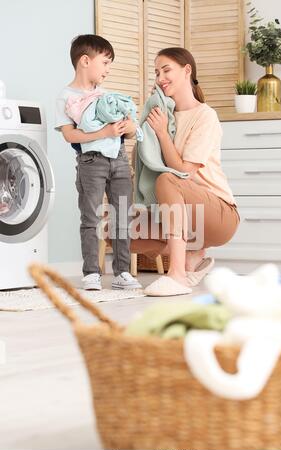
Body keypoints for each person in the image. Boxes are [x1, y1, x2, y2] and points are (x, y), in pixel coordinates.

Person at [132, 47, 240, 296]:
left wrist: (161, 133)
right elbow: (145, 163)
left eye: (166, 70)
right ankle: (192, 253)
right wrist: (149, 124)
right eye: (157, 73)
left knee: (168, 179)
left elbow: (183, 172)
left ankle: (178, 275)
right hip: (178, 213)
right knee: (114, 232)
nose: (160, 78)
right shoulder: (162, 115)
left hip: (219, 214)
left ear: (187, 70)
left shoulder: (205, 116)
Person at [55, 34, 142, 290]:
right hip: (90, 162)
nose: (108, 69)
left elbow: (128, 128)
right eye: (105, 62)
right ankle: (92, 272)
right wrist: (104, 133)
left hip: (119, 159)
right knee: (90, 218)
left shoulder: (106, 96)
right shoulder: (66, 97)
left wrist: (128, 127)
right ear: (85, 61)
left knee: (123, 217)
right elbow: (70, 135)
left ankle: (122, 272)